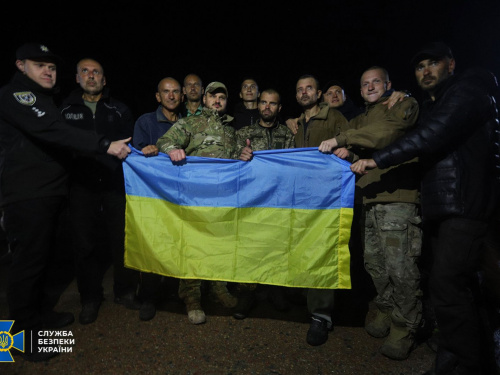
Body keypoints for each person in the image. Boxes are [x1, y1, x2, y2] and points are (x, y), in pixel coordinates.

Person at [350, 42, 500, 374]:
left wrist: (376, 157)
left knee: (445, 284)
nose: (426, 71)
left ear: (451, 64)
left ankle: (464, 363)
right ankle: (458, 359)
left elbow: (427, 136)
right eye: (420, 67)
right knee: (456, 287)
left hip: (465, 204)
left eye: (434, 63)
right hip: (444, 205)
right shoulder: (434, 103)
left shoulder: (467, 90)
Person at [0, 43, 131, 362]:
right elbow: (54, 129)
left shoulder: (45, 99)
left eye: (52, 66)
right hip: (27, 194)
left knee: (43, 260)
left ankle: (40, 319)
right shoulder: (17, 95)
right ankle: (15, 343)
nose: (48, 71)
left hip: (48, 193)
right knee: (25, 267)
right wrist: (104, 144)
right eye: (40, 65)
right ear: (20, 66)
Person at [319, 66, 422, 360]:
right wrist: (348, 153)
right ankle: (388, 312)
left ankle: (406, 326)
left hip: (398, 198)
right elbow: (358, 146)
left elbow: (386, 133)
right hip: (369, 198)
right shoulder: (362, 117)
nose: (371, 86)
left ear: (389, 84)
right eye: (365, 84)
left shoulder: (403, 104)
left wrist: (343, 140)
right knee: (375, 263)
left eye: (377, 81)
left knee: (400, 267)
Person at [156, 81, 252, 325]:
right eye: (212, 96)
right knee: (194, 247)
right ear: (205, 100)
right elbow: (164, 141)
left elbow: (237, 160)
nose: (217, 100)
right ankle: (191, 297)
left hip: (223, 200)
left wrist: (243, 155)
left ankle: (218, 289)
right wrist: (172, 150)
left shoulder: (232, 132)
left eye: (222, 96)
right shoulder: (190, 123)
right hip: (195, 199)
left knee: (220, 245)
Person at [60, 58, 140, 326]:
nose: (91, 76)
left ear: (104, 80)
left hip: (115, 184)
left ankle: (125, 291)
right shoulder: (65, 110)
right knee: (84, 244)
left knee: (122, 239)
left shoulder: (119, 110)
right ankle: (90, 298)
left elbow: (133, 147)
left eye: (96, 72)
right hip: (81, 186)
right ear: (77, 78)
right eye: (85, 71)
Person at [288, 74, 349, 346]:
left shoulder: (334, 118)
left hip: (326, 200)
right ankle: (306, 301)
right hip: (301, 200)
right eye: (300, 89)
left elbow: (350, 143)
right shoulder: (297, 123)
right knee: (302, 250)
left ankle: (321, 316)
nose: (304, 93)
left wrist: (347, 150)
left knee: (322, 252)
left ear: (318, 92)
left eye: (309, 88)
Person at [232, 88, 295, 319]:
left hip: (278, 201)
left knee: (277, 247)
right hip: (252, 201)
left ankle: (275, 290)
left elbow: (293, 165)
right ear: (258, 105)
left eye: (273, 103)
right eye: (264, 103)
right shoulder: (244, 133)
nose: (267, 107)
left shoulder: (288, 134)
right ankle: (246, 295)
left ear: (279, 108)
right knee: (249, 249)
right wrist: (240, 155)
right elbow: (234, 164)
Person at [132, 77, 183, 320]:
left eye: (175, 92)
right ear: (158, 96)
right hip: (153, 196)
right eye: (166, 92)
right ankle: (149, 296)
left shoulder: (187, 123)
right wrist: (145, 151)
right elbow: (135, 155)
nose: (171, 96)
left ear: (181, 96)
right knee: (153, 244)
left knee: (178, 242)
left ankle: (174, 292)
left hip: (180, 196)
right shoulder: (145, 122)